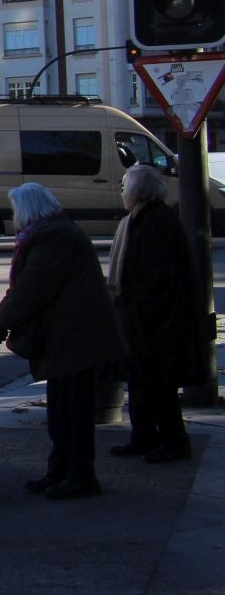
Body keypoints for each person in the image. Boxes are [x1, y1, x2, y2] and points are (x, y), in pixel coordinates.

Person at [0, 182, 126, 500]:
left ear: (27, 209)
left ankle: (79, 476)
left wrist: (2, 320)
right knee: (63, 410)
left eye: (15, 210)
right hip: (69, 337)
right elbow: (29, 287)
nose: (13, 216)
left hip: (77, 338)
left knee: (73, 412)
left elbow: (31, 288)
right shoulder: (55, 232)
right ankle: (62, 470)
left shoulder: (54, 236)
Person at [106, 165, 192, 464]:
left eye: (124, 187)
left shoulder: (156, 222)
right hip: (140, 320)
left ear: (137, 192)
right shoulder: (141, 219)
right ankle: (143, 437)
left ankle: (173, 442)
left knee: (158, 386)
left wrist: (142, 315)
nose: (122, 192)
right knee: (142, 383)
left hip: (155, 323)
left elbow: (156, 279)